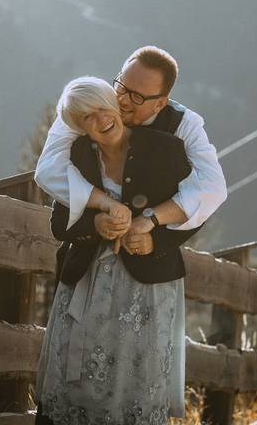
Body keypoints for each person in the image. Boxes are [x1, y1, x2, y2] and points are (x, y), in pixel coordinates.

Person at [33, 76, 203, 424]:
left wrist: (154, 234)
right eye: (86, 119)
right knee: (72, 385)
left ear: (115, 104)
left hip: (147, 291)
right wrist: (94, 225)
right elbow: (59, 223)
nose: (99, 121)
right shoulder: (78, 155)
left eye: (101, 109)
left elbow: (197, 208)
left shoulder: (166, 148)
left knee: (135, 385)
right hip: (85, 284)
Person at [35, 45, 227, 263]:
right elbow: (49, 168)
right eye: (122, 86)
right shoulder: (90, 104)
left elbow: (212, 188)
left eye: (136, 96)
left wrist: (152, 222)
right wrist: (104, 207)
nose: (123, 100)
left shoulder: (185, 125)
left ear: (160, 104)